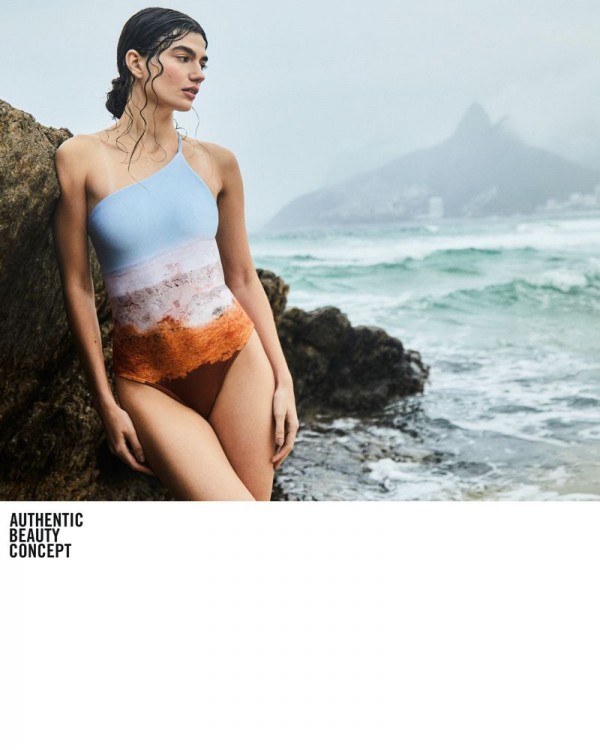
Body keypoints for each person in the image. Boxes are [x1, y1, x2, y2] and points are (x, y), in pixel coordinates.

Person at [52, 7, 298, 501]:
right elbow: (77, 286)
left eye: (203, 62)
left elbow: (243, 278)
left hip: (238, 362)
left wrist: (283, 381)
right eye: (183, 57)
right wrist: (105, 402)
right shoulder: (79, 158)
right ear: (136, 62)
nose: (198, 73)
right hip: (149, 383)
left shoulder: (217, 163)